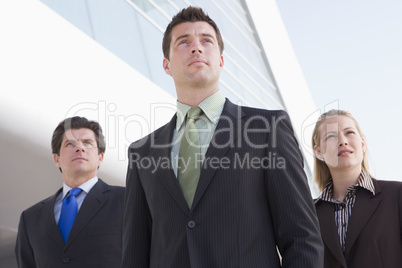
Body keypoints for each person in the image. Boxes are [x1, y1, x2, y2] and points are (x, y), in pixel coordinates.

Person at [122, 6, 323, 268]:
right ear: (166, 65)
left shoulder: (267, 129)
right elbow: (135, 255)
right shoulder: (142, 153)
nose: (196, 48)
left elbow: (302, 238)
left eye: (206, 41)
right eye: (184, 42)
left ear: (221, 61)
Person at [15, 116, 125, 268]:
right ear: (56, 159)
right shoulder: (30, 218)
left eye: (88, 143)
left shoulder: (126, 201)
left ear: (100, 157)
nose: (80, 148)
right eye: (70, 144)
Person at [312, 109, 402, 268]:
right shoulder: (308, 213)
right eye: (331, 136)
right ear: (319, 152)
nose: (342, 141)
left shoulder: (397, 195)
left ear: (362, 144)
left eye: (349, 132)